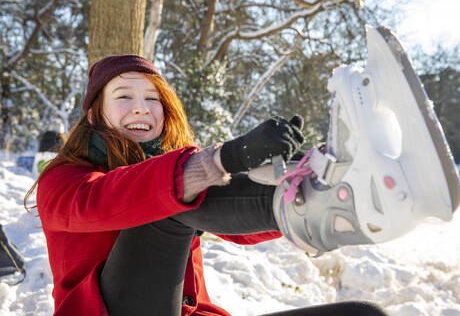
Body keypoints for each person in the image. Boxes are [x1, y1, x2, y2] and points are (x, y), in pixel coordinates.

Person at [26, 55, 389, 316]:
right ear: (94, 114)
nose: (141, 108)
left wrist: (300, 174)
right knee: (167, 204)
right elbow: (105, 200)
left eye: (152, 99)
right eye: (124, 96)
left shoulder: (179, 173)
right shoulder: (63, 179)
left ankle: (330, 189)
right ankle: (321, 200)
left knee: (363, 314)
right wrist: (223, 159)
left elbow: (234, 226)